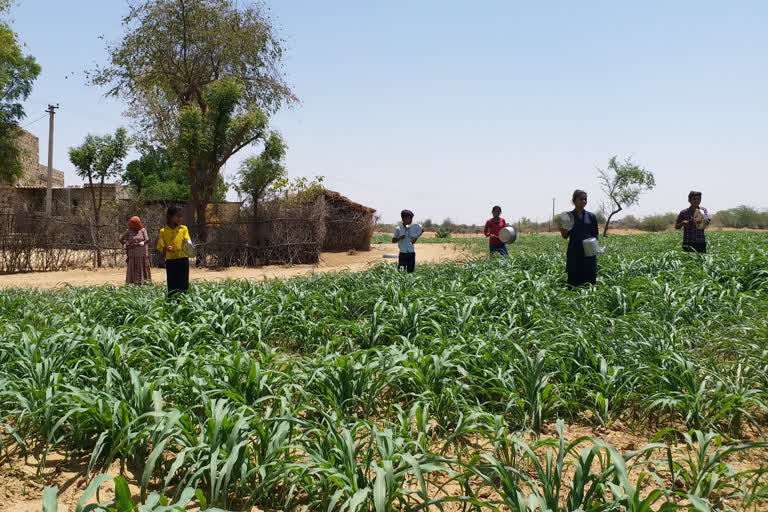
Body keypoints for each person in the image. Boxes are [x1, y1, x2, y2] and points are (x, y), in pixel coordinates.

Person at [560, 189, 599, 288]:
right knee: (573, 282)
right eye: (581, 199)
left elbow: (595, 234)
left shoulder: (591, 216)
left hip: (589, 253)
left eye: (585, 199)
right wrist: (563, 232)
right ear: (574, 201)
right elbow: (565, 236)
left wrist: (593, 245)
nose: (584, 201)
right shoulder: (568, 216)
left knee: (589, 282)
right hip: (575, 253)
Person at [157, 206, 191, 295]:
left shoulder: (184, 229)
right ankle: (172, 305)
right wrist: (166, 248)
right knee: (172, 285)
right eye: (178, 216)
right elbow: (160, 246)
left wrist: (186, 243)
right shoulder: (163, 231)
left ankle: (184, 305)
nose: (180, 218)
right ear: (170, 217)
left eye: (181, 216)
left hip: (183, 260)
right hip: (170, 262)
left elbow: (189, 243)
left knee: (184, 285)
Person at [119, 216, 152, 285]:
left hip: (142, 255)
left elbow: (147, 240)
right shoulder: (129, 231)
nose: (132, 225)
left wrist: (138, 244)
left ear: (138, 223)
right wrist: (127, 244)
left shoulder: (143, 230)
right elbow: (121, 239)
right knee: (133, 270)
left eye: (134, 223)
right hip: (133, 255)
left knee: (142, 270)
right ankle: (132, 284)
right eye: (131, 223)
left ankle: (144, 284)